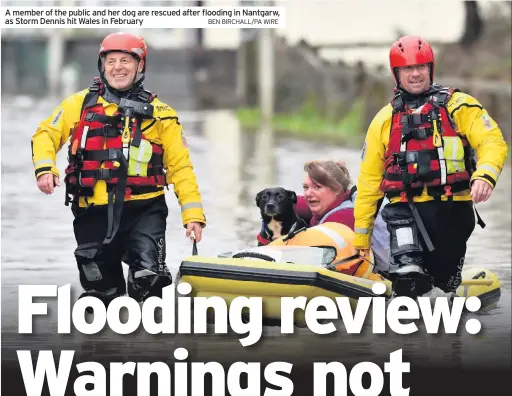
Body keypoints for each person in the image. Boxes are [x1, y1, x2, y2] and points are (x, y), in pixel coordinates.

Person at [31, 32, 206, 306]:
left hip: (144, 209)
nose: (118, 67)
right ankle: (107, 345)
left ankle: (149, 343)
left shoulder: (162, 114)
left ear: (140, 66)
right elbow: (45, 134)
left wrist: (193, 215)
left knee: (148, 278)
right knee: (100, 290)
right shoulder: (78, 105)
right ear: (102, 66)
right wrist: (45, 168)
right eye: (111, 61)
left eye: (126, 60)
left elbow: (181, 167)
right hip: (93, 209)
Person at [353, 36, 508, 299]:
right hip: (405, 210)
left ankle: (444, 327)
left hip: (453, 211)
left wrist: (485, 175)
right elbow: (369, 182)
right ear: (396, 73)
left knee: (443, 286)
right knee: (408, 275)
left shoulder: (459, 106)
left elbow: (492, 141)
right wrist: (361, 237)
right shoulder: (383, 121)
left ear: (430, 69)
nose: (415, 74)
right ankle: (404, 309)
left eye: (421, 67)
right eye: (408, 68)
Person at [295, 160, 391, 273]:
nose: (308, 194)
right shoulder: (333, 202)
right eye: (306, 187)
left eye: (317, 187)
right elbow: (298, 203)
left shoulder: (342, 218)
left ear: (337, 189)